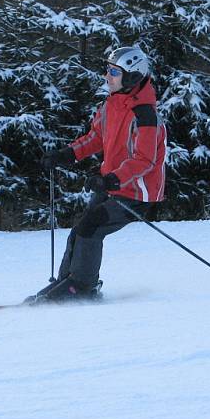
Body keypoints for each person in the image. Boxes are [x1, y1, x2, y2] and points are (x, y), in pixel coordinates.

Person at [30, 46, 167, 303]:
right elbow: (95, 137)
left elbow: (144, 160)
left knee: (90, 228)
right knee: (80, 230)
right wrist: (66, 154)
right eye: (108, 70)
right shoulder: (111, 105)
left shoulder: (145, 115)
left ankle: (82, 287)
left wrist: (111, 178)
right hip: (113, 185)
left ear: (132, 77)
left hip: (137, 192)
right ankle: (66, 283)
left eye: (114, 72)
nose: (107, 76)